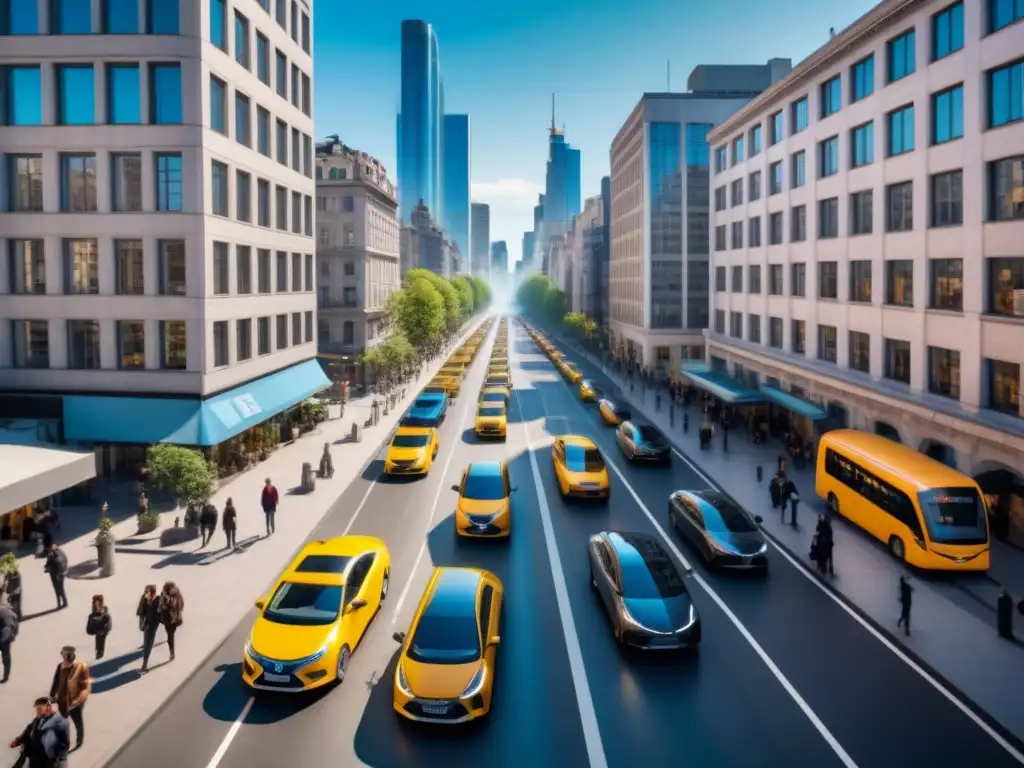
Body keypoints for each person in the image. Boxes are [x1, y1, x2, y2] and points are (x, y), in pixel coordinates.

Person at [9, 697, 70, 768]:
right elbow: (28, 731)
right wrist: (18, 741)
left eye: (40, 708)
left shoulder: (60, 723)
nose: (37, 711)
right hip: (35, 758)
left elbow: (64, 744)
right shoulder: (37, 720)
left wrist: (59, 760)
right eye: (37, 708)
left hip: (49, 761)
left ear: (49, 708)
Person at [48, 646, 89, 751]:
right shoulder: (60, 666)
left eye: (65, 654)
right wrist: (52, 696)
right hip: (62, 700)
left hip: (74, 701)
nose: (63, 655)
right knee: (63, 724)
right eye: (63, 653)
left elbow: (84, 687)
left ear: (70, 656)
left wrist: (79, 701)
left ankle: (79, 740)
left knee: (78, 722)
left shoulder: (78, 668)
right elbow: (56, 681)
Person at [136, 585, 161, 674]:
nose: (149, 597)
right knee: (148, 641)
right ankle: (147, 646)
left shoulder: (158, 600)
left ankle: (144, 665)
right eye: (148, 594)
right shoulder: (144, 599)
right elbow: (141, 612)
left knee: (148, 643)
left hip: (153, 623)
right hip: (148, 622)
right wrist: (141, 624)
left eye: (151, 595)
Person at [159, 582, 184, 662]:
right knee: (170, 634)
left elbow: (181, 606)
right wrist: (163, 606)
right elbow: (160, 607)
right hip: (167, 619)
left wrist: (170, 603)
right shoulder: (163, 596)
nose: (173, 590)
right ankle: (171, 651)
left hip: (175, 619)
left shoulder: (177, 595)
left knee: (171, 634)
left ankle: (171, 651)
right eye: (171, 589)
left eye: (173, 588)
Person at [43, 545, 68, 610]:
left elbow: (47, 566)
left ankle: (59, 604)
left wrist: (46, 568)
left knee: (57, 589)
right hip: (62, 573)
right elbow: (66, 560)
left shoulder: (50, 556)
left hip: (55, 575)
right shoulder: (62, 552)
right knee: (61, 588)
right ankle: (65, 602)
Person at [0, 598, 17, 683]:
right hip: (6, 637)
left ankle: (6, 676)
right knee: (6, 657)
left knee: (6, 657)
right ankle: (6, 676)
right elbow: (15, 620)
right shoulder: (7, 610)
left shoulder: (5, 611)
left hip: (5, 637)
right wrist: (14, 634)